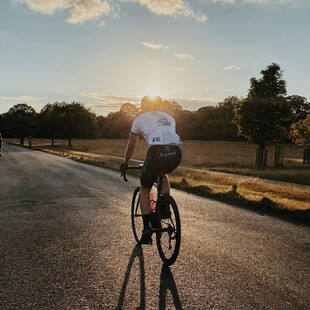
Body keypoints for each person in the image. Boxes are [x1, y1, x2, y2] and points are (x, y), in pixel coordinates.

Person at [120, 96, 182, 244]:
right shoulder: (169, 117)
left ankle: (147, 229)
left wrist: (125, 163)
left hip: (155, 152)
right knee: (162, 173)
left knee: (145, 189)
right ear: (160, 106)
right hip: (175, 152)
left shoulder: (139, 119)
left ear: (143, 105)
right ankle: (165, 205)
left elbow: (131, 144)